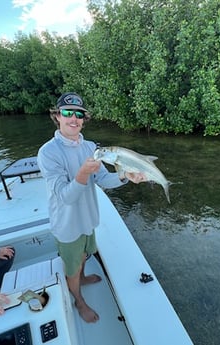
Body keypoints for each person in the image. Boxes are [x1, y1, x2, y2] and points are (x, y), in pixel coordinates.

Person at [37, 92, 146, 323]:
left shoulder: (90, 147)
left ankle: (83, 278)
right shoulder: (47, 152)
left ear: (84, 119)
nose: (73, 118)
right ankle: (79, 299)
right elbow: (66, 197)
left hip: (88, 218)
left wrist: (126, 176)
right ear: (57, 116)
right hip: (67, 225)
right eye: (67, 113)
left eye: (79, 114)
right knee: (72, 267)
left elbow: (104, 179)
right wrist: (83, 173)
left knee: (85, 255)